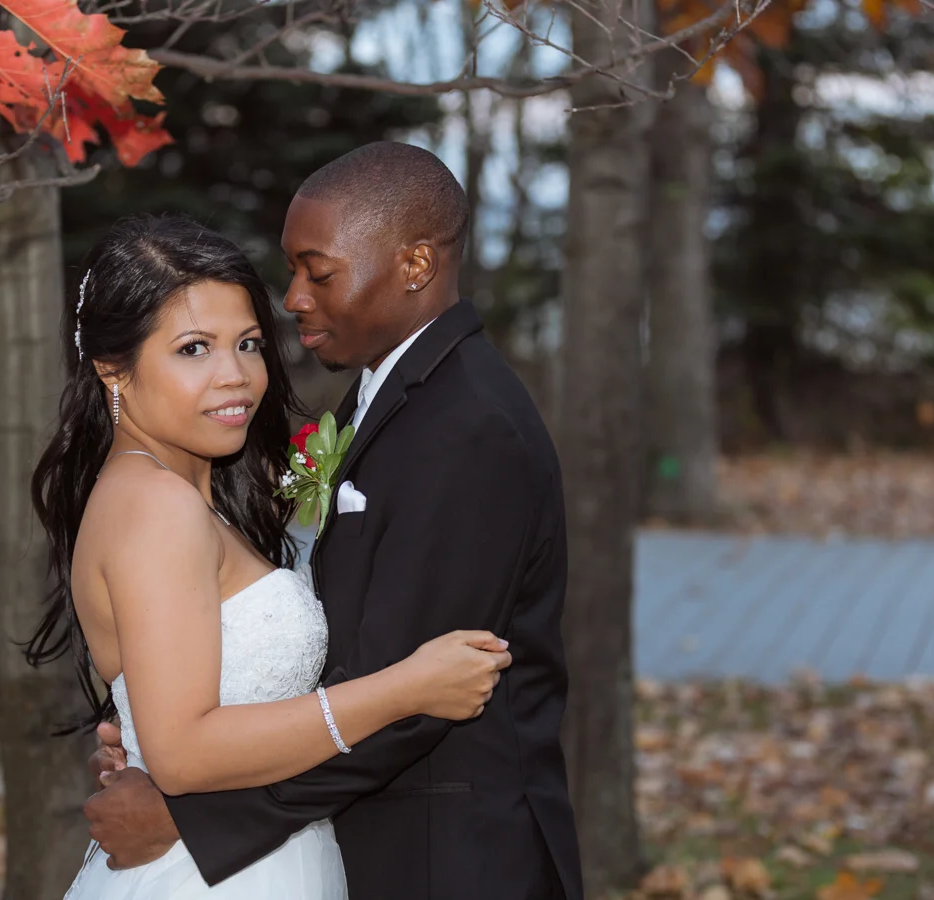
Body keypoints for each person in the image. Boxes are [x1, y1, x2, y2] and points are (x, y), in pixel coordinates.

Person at [84, 142, 585, 900]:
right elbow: (384, 668)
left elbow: (424, 699)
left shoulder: (468, 425)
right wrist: (157, 728)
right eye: (195, 348)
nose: (293, 298)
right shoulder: (374, 399)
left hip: (447, 863)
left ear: (415, 265)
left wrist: (194, 817)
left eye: (319, 273)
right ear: (114, 368)